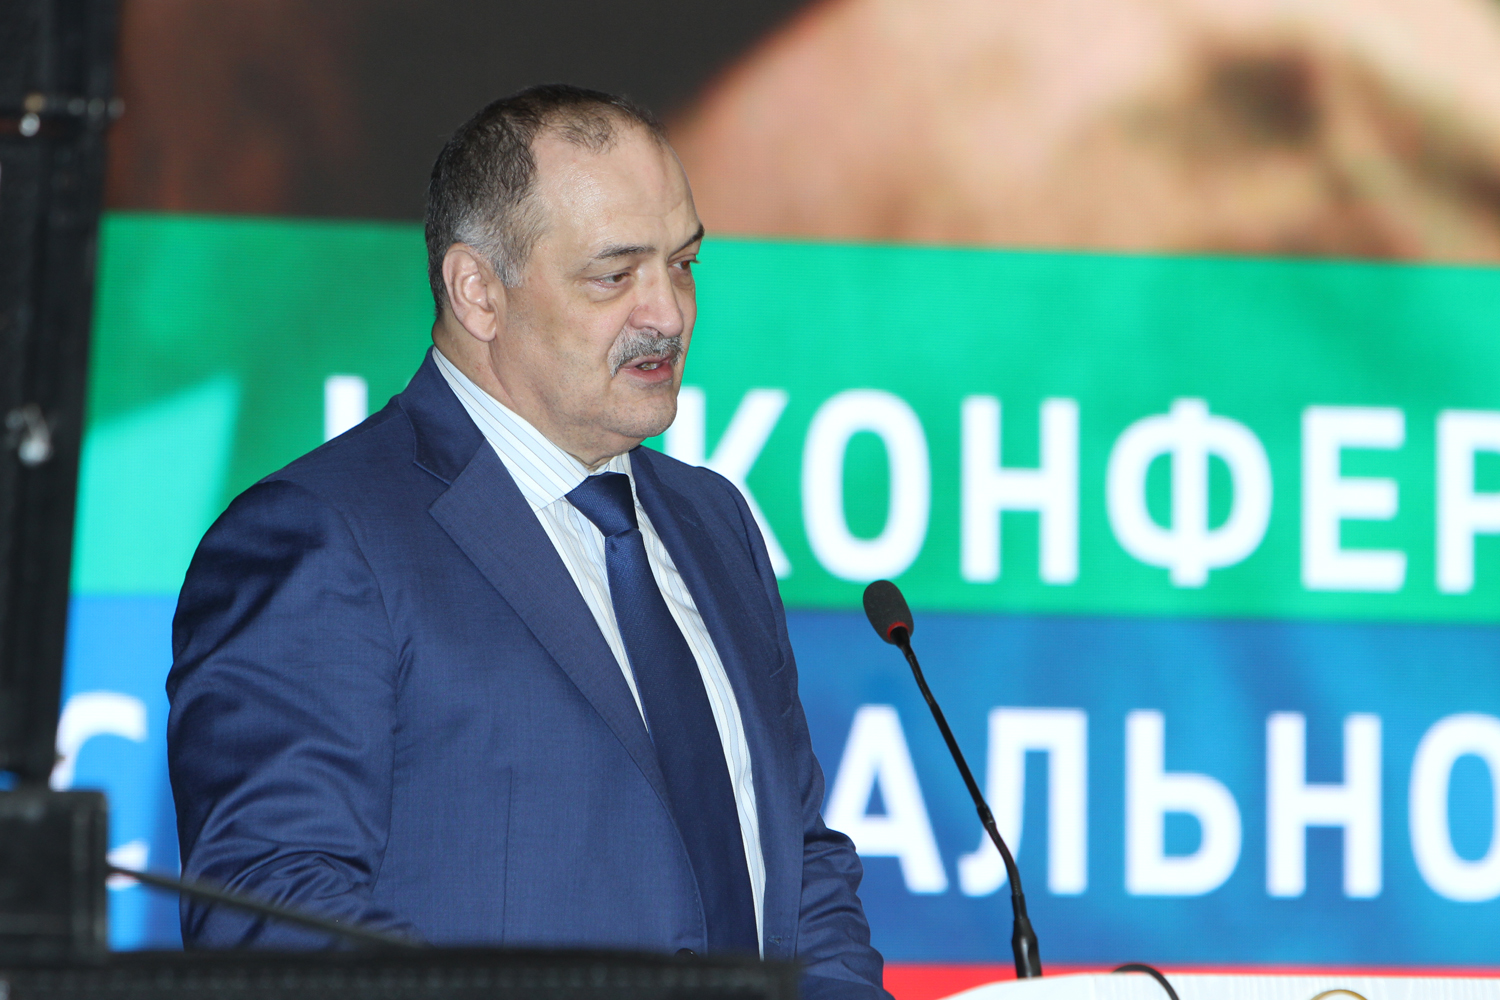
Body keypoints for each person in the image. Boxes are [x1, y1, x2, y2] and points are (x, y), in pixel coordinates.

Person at [165, 85, 888, 1000]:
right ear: (478, 291)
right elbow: (274, 916)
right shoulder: (322, 537)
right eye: (614, 276)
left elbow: (798, 866)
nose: (668, 314)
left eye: (683, 264)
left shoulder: (715, 523)